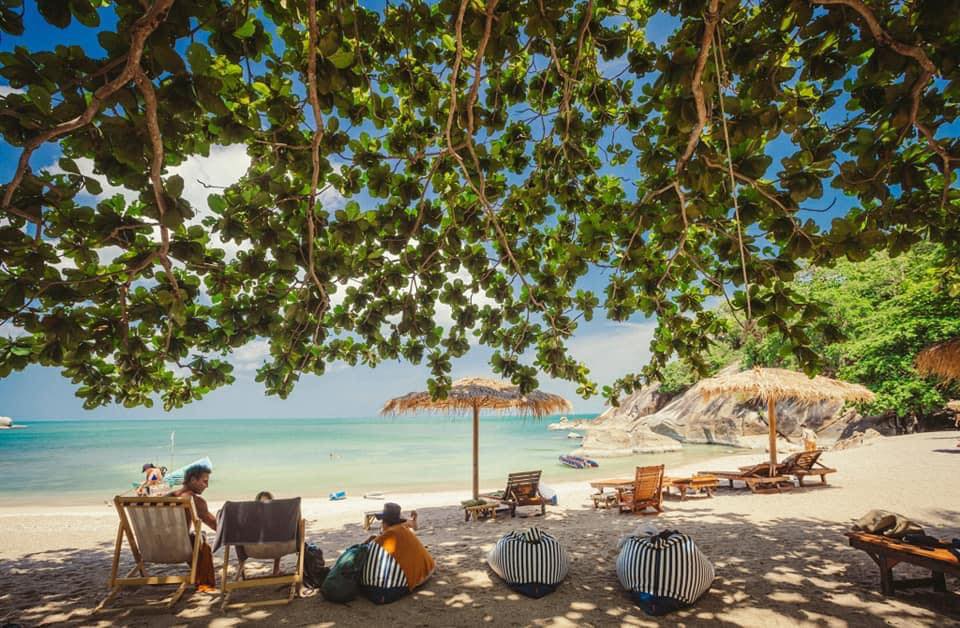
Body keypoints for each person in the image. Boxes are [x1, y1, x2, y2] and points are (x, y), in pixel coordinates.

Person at [362, 502, 434, 601]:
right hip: (426, 571)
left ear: (385, 522)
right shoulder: (402, 529)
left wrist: (368, 542)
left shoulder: (387, 536)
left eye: (382, 521)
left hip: (383, 591)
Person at [167, 464, 217, 592]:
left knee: (191, 537)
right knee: (200, 538)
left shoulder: (167, 497)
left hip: (155, 548)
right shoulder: (195, 501)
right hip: (180, 549)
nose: (207, 486)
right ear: (193, 479)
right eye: (204, 481)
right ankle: (204, 583)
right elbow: (215, 525)